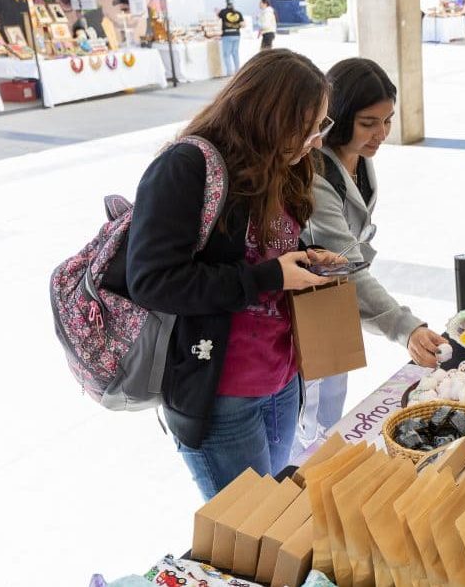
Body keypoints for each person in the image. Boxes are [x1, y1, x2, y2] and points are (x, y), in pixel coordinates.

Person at [126, 50, 348, 500]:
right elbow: (152, 281)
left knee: (278, 509)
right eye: (307, 127)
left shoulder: (283, 165)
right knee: (249, 532)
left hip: (283, 377)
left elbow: (263, 249)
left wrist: (302, 259)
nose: (316, 141)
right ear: (267, 116)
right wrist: (268, 277)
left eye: (321, 125)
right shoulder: (185, 167)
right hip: (222, 392)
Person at [294, 58, 447, 455]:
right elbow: (346, 267)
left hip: (334, 309)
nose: (381, 133)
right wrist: (405, 327)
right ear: (338, 117)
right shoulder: (315, 175)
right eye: (368, 123)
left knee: (330, 415)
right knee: (308, 430)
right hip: (306, 314)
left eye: (387, 120)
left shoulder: (358, 161)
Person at [218, 0, 244, 75]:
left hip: (227, 35)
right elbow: (243, 24)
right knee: (235, 53)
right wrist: (235, 25)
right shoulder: (238, 13)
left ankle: (230, 72)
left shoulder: (223, 12)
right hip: (236, 34)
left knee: (227, 54)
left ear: (226, 2)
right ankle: (238, 71)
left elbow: (217, 17)